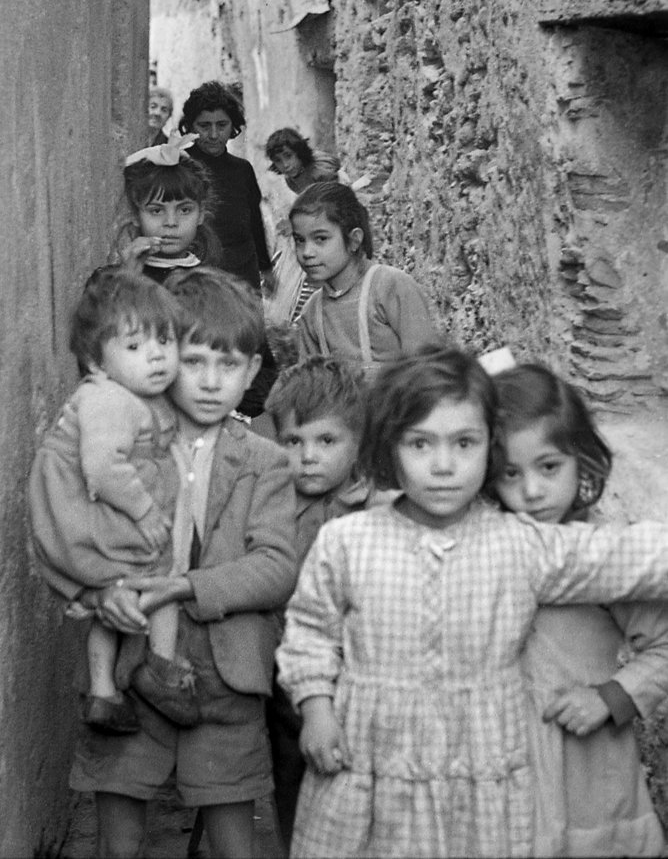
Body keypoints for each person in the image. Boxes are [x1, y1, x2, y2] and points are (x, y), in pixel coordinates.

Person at [276, 346, 668, 859]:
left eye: (464, 443)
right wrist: (317, 707)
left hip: (478, 774)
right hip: (372, 766)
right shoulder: (348, 541)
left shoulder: (519, 543)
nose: (443, 466)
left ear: (488, 450)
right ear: (388, 448)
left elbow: (628, 555)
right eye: (420, 444)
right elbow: (310, 630)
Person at [68, 267, 297, 859]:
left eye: (230, 365)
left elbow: (276, 566)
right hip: (131, 664)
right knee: (117, 844)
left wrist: (186, 587)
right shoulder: (121, 448)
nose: (212, 382)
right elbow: (82, 540)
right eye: (194, 361)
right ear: (165, 358)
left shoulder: (266, 462)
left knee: (234, 845)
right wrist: (100, 595)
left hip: (229, 678)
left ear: (252, 372)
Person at [489, 363, 668, 857]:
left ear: (580, 460)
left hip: (588, 773)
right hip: (507, 773)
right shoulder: (484, 553)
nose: (532, 491)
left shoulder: (601, 561)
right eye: (510, 474)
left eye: (549, 467)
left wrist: (614, 696)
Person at [28, 269, 193, 735]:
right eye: (135, 347)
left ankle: (103, 692)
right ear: (96, 362)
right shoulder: (110, 400)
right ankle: (161, 668)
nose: (157, 356)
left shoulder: (124, 395)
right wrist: (145, 511)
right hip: (88, 509)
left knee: (116, 591)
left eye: (165, 340)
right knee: (160, 575)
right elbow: (102, 468)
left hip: (81, 511)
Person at [262, 357, 379, 855]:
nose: (308, 457)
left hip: (360, 678)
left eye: (327, 441)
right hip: (287, 679)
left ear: (360, 443)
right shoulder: (271, 504)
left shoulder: (376, 508)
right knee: (290, 778)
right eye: (294, 441)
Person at [290, 181, 438, 381]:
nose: (307, 252)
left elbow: (427, 370)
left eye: (321, 239)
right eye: (300, 240)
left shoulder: (389, 287)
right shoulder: (312, 313)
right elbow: (311, 387)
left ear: (354, 240)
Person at [178, 81, 273, 293]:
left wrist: (265, 267)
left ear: (233, 126)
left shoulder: (242, 170)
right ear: (191, 126)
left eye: (221, 125)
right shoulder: (180, 168)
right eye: (204, 126)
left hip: (241, 273)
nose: (213, 135)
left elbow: (254, 222)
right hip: (195, 275)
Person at [264, 128, 342, 329]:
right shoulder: (290, 179)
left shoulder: (320, 171)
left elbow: (329, 206)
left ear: (299, 152)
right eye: (279, 160)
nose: (285, 164)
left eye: (288, 156)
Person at [118, 132, 220, 281]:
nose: (171, 223)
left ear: (201, 214)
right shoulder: (108, 283)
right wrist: (128, 276)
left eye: (185, 210)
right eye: (156, 211)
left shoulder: (214, 285)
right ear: (135, 215)